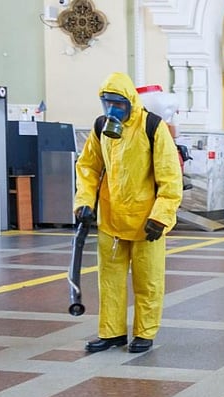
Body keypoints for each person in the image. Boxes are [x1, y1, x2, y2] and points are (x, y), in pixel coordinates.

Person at [73, 72, 183, 354]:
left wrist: (162, 215)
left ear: (130, 102)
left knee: (148, 280)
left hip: (146, 223)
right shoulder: (101, 128)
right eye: (107, 104)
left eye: (118, 104)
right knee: (109, 281)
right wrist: (84, 202)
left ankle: (144, 332)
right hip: (111, 220)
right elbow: (88, 167)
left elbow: (170, 177)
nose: (112, 111)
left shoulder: (152, 126)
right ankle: (112, 333)